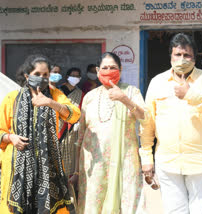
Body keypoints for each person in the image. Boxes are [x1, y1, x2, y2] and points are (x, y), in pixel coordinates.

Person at [140, 33, 202, 214]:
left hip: (201, 162)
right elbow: (148, 123)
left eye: (187, 55)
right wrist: (147, 158)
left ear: (194, 58)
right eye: (177, 55)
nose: (182, 59)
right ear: (170, 57)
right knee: (174, 211)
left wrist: (191, 95)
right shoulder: (158, 82)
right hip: (167, 161)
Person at [0, 54, 81, 214]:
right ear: (26, 75)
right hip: (17, 168)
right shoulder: (12, 99)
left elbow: (74, 115)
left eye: (45, 75)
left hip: (49, 167)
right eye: (37, 74)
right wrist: (11, 137)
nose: (42, 78)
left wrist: (50, 102)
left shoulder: (55, 94)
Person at [70, 52, 146, 214]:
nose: (108, 71)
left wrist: (124, 99)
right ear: (98, 71)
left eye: (113, 68)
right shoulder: (89, 97)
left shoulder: (132, 92)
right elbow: (81, 137)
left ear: (121, 69)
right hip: (94, 167)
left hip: (125, 164)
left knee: (127, 205)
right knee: (93, 207)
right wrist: (77, 171)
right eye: (105, 68)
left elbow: (144, 117)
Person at [58, 67, 84, 179]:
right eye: (73, 75)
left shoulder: (80, 94)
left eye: (77, 76)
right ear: (67, 77)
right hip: (58, 127)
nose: (75, 77)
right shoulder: (58, 91)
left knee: (71, 159)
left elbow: (82, 111)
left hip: (73, 130)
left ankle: (70, 186)